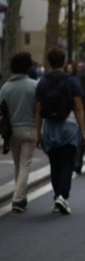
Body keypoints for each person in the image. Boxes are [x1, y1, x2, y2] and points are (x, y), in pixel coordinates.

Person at [35, 48, 85, 214]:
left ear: (49, 63)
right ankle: (62, 196)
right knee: (67, 163)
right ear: (64, 62)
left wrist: (38, 133)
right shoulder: (72, 81)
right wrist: (84, 132)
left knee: (55, 164)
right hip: (69, 127)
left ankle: (57, 197)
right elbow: (79, 108)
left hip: (50, 127)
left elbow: (38, 110)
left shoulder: (42, 82)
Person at [0, 52, 39, 212]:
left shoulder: (6, 87)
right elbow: (38, 110)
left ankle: (21, 196)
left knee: (18, 164)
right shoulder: (34, 85)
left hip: (13, 131)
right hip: (30, 129)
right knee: (25, 164)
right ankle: (18, 199)